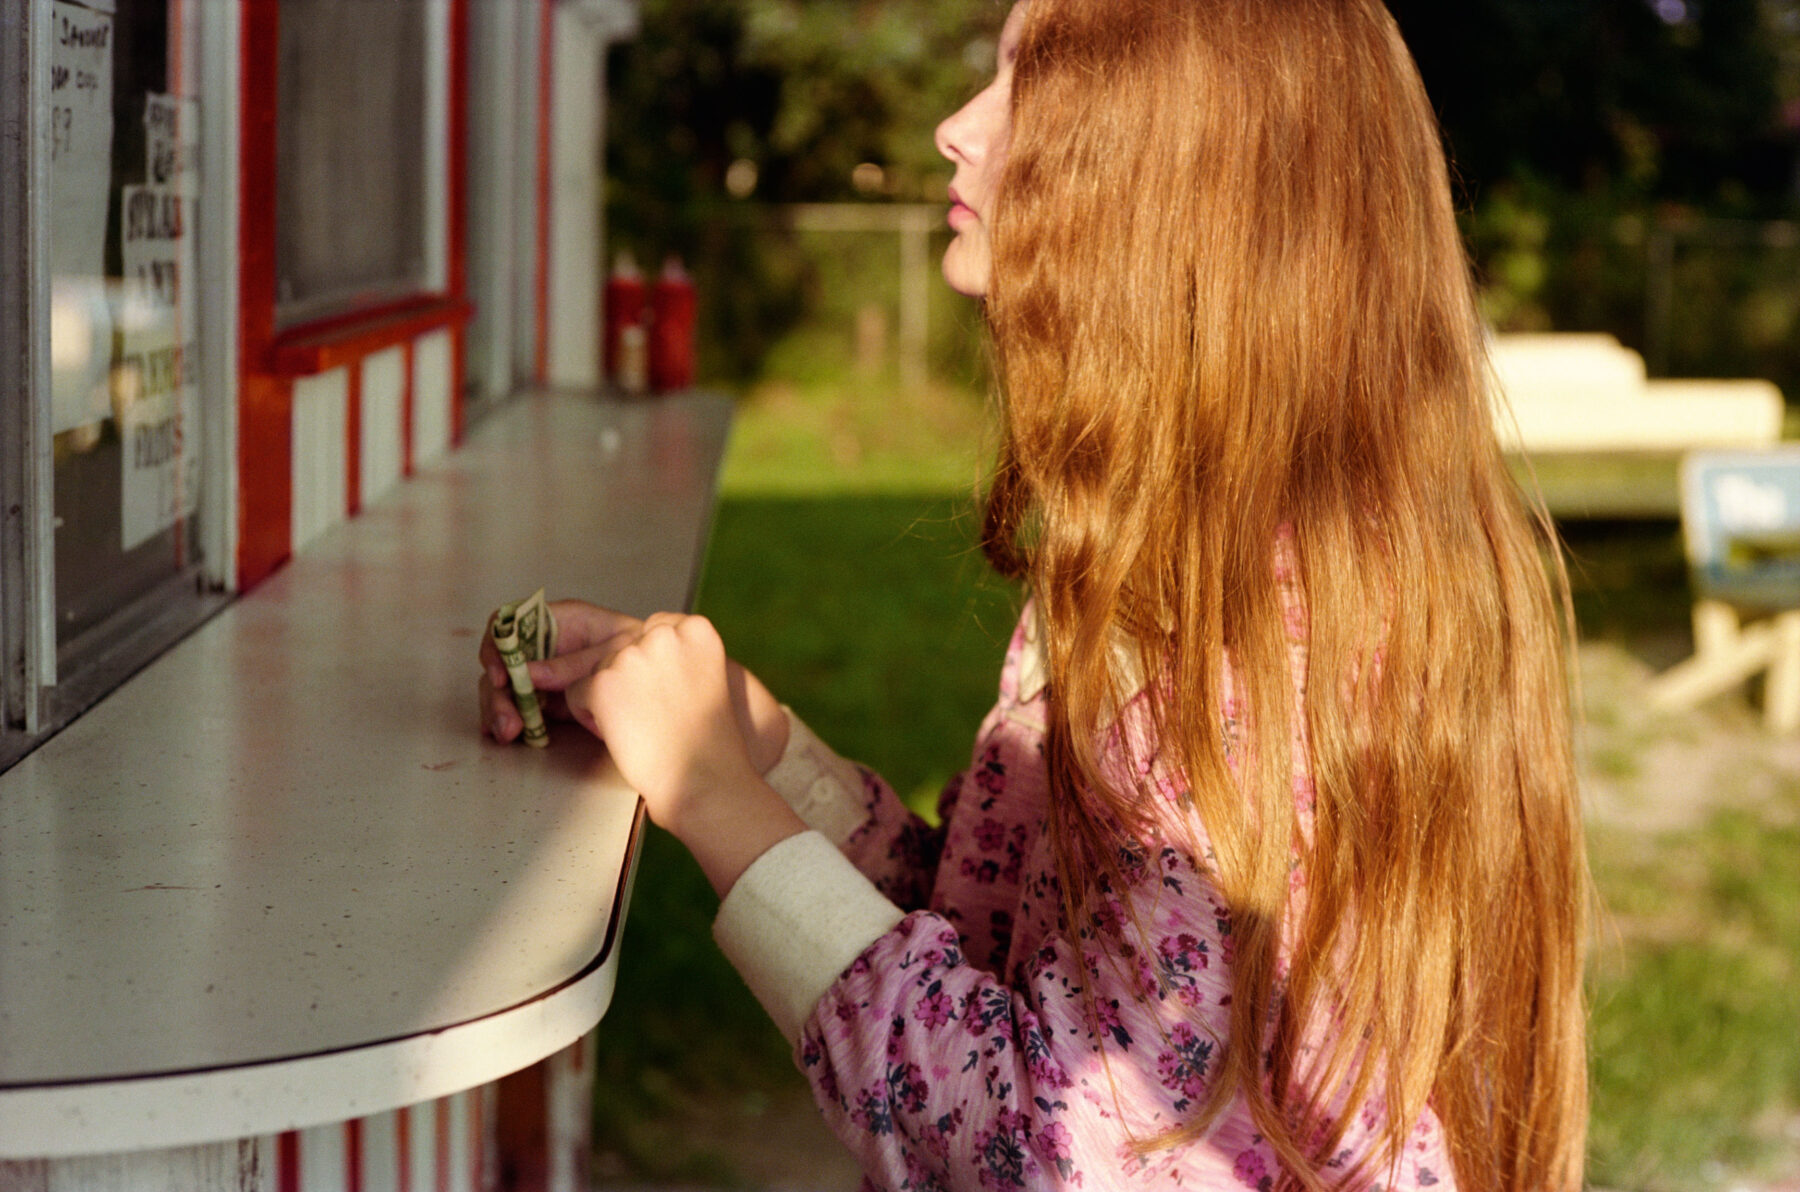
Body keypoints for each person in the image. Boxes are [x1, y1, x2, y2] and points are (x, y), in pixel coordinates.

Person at [480, 0, 1590, 1188]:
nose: (958, 128)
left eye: (1032, 85)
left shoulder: (1253, 654)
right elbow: (995, 948)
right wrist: (755, 747)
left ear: (1178, 178)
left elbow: (1048, 1143)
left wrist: (709, 796)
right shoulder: (1185, 570)